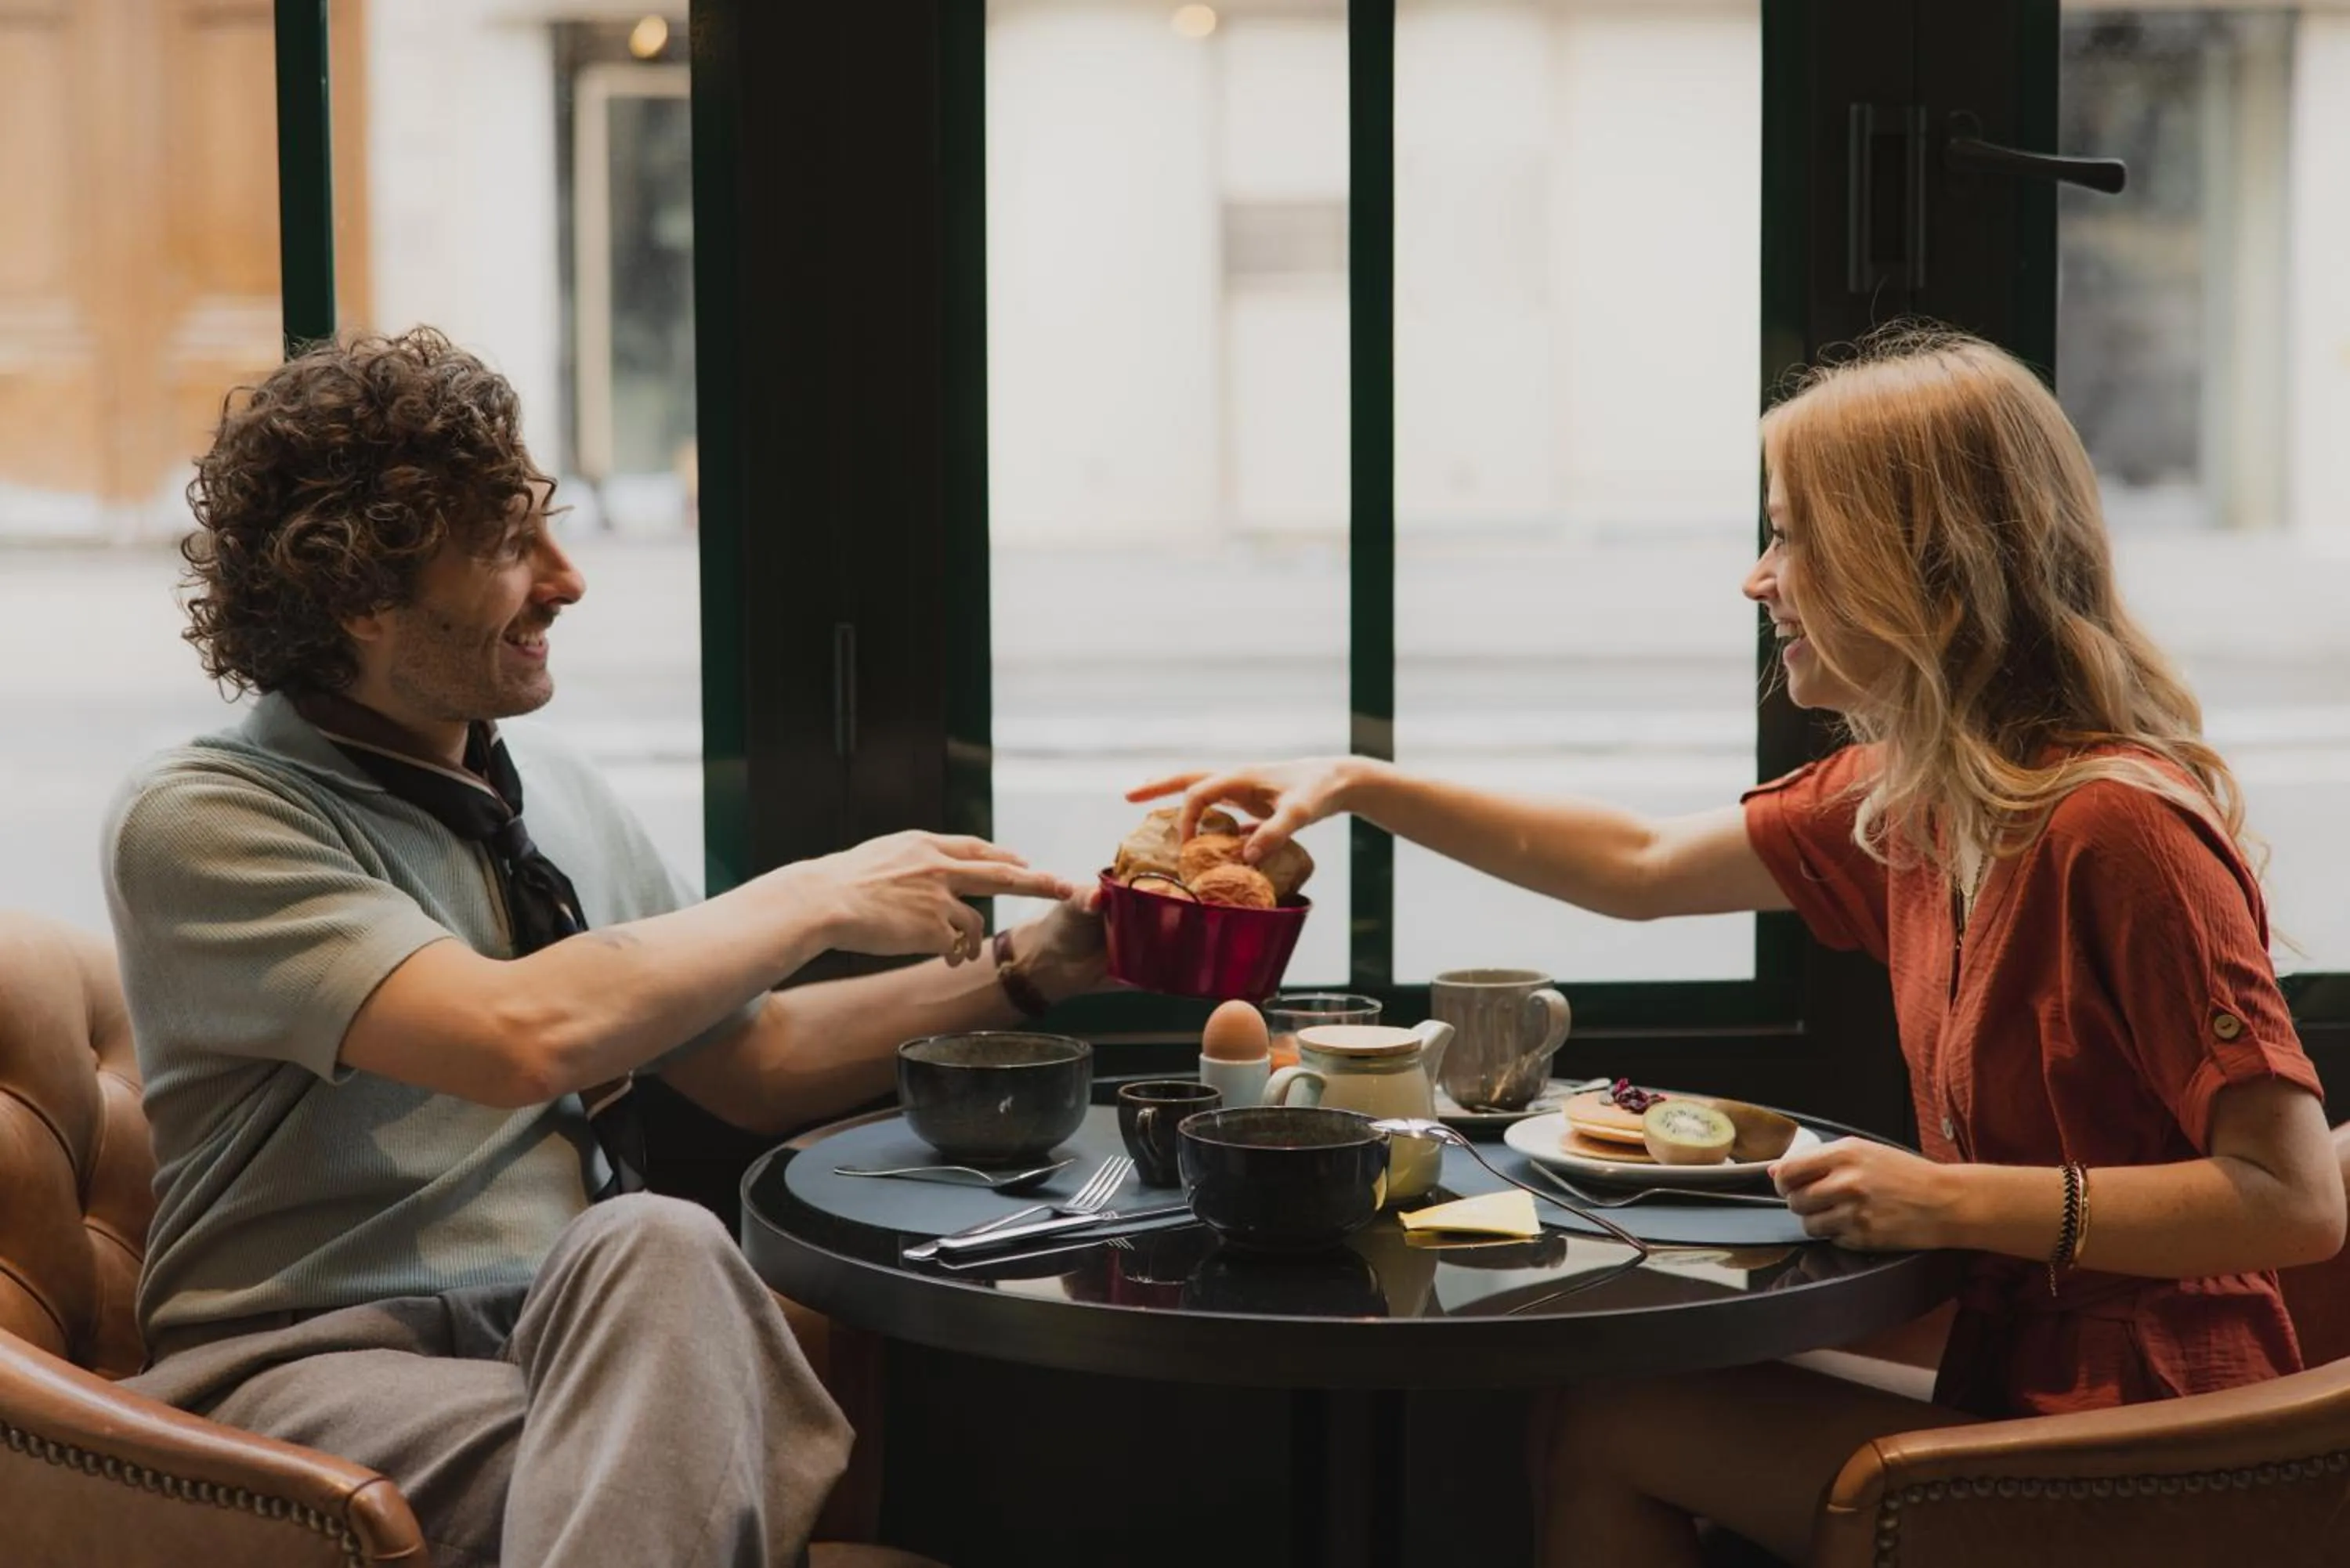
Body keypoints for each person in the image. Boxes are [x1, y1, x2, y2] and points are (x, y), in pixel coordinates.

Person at [1131, 326, 2345, 1566]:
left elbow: (2291, 1201)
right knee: (1589, 1397)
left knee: (1618, 1424)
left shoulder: (2116, 825)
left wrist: (1944, 1198)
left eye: (1790, 537)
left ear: (1921, 564)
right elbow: (1639, 867)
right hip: (2016, 1370)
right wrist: (1358, 782)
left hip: (2162, 1438)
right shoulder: (1917, 800)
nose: (1759, 579)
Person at [105, 328, 1104, 1568]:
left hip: (582, 1343)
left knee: (654, 1247)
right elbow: (519, 1034)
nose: (569, 580)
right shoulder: (209, 818)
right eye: (514, 546)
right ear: (359, 596)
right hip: (315, 1367)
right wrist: (815, 894)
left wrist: (1049, 960)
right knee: (686, 1365)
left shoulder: (553, 794)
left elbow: (757, 1057)